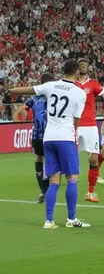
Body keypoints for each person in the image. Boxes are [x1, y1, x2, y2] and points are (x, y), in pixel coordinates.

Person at [10, 59, 90, 229]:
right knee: (72, 179)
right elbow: (76, 120)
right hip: (65, 138)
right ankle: (71, 219)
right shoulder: (80, 92)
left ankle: (49, 221)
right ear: (77, 73)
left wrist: (11, 90)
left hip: (48, 138)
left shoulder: (50, 86)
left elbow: (28, 90)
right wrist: (71, 132)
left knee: (54, 180)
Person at [75, 58, 104, 202]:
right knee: (68, 157)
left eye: (85, 64)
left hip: (90, 126)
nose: (83, 66)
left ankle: (90, 192)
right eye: (80, 64)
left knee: (93, 157)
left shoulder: (94, 84)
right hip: (73, 125)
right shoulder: (71, 83)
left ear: (88, 68)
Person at [24, 72, 54, 203]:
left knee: (39, 157)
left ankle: (42, 189)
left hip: (37, 133)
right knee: (51, 159)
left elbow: (24, 107)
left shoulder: (34, 97)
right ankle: (47, 187)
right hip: (50, 133)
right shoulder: (53, 96)